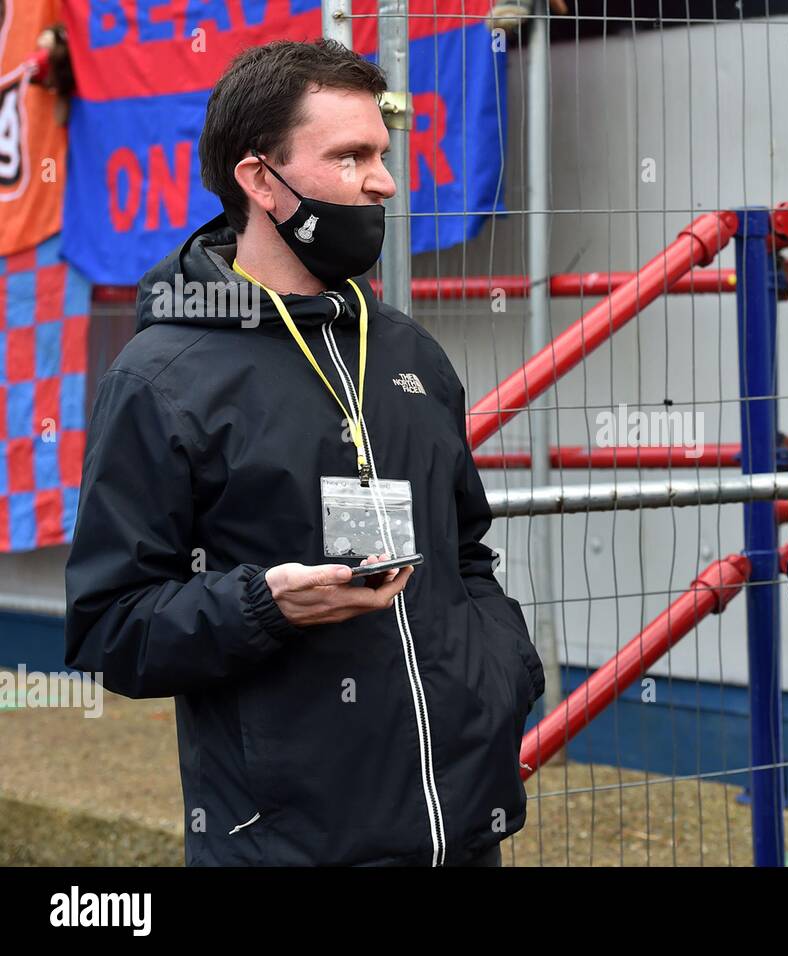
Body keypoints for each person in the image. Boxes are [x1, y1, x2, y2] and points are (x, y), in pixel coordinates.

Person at [64, 39, 543, 867]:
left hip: (461, 833)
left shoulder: (408, 353)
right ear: (259, 180)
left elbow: (466, 554)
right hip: (284, 848)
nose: (384, 183)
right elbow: (110, 627)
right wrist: (260, 607)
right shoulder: (160, 378)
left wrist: (500, 676)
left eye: (383, 156)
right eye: (351, 157)